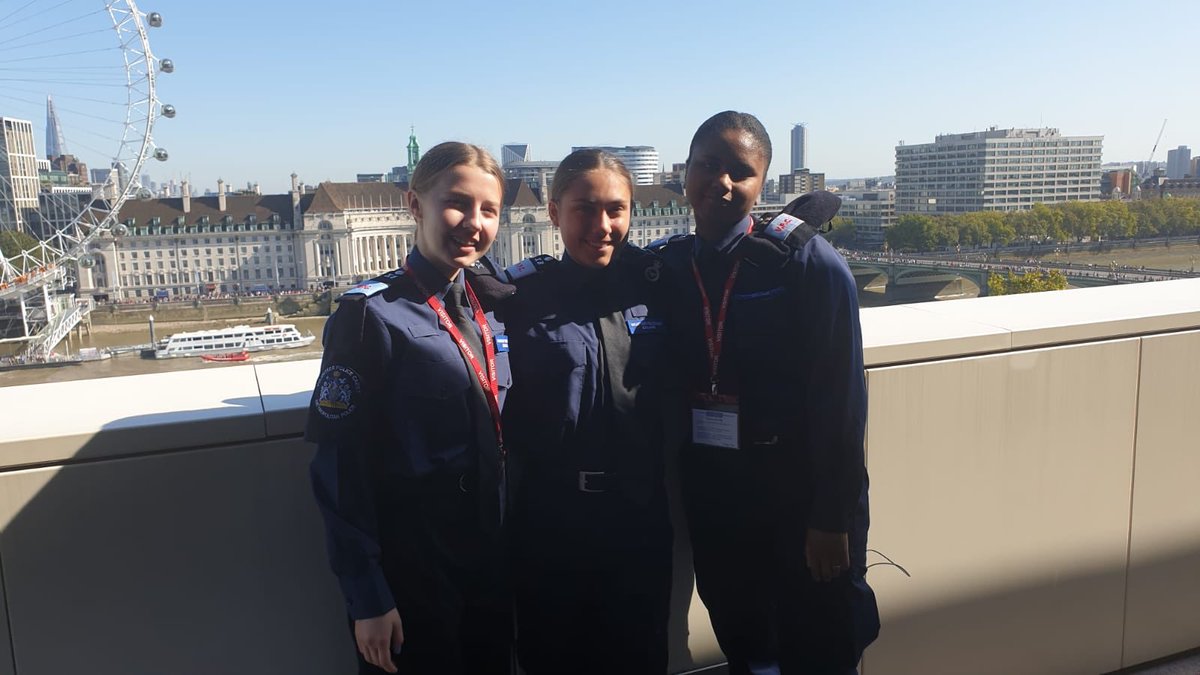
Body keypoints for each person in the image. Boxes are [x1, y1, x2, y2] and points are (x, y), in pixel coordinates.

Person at [652, 111, 879, 675]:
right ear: (686, 172)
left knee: (819, 643)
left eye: (741, 171)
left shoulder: (807, 264)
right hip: (717, 491)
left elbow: (843, 403)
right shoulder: (671, 265)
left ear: (762, 183)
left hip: (797, 492)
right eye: (708, 165)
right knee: (743, 638)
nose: (721, 182)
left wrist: (831, 517)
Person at [306, 142, 514, 675]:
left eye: (489, 210)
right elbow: (338, 468)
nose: (474, 222)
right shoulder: (368, 316)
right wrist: (367, 595)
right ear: (415, 205)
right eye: (458, 204)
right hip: (414, 571)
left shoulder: (491, 307)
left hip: (489, 563)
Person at [499, 148, 676, 674]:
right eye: (584, 209)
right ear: (554, 213)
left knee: (641, 657)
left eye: (616, 209)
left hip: (637, 517)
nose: (602, 225)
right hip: (551, 521)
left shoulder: (661, 285)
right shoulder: (516, 295)